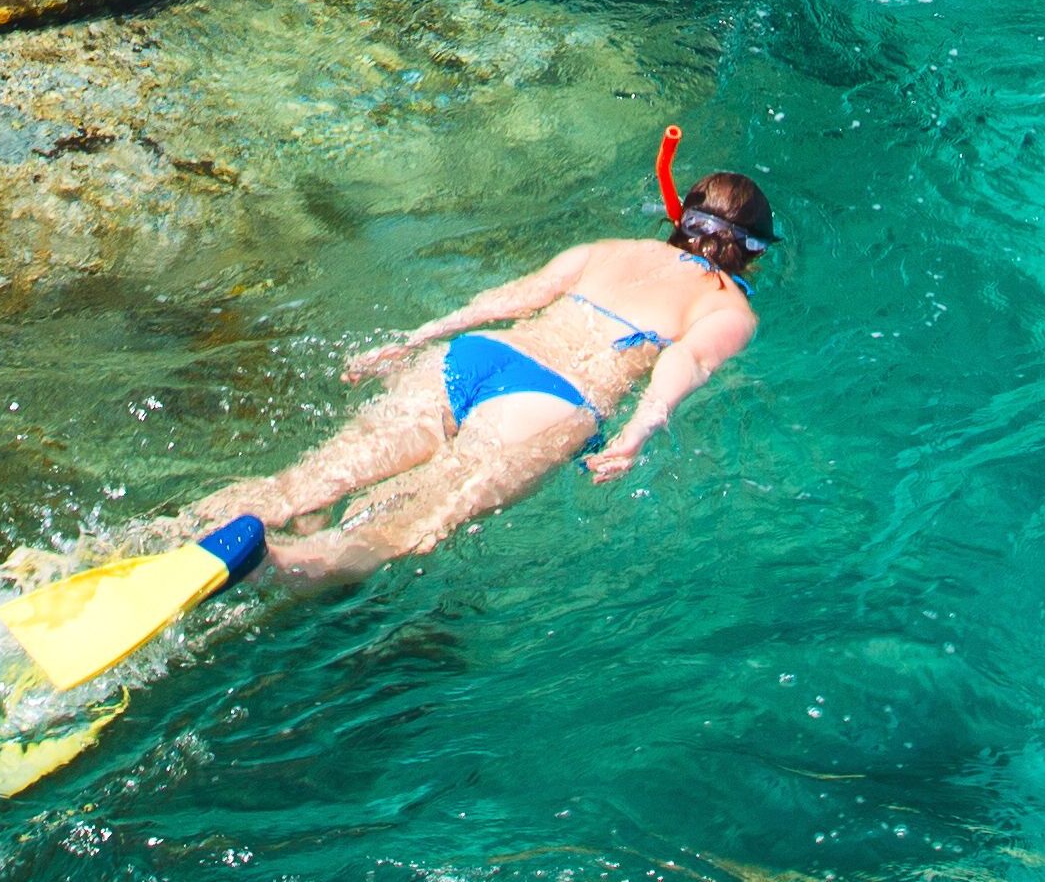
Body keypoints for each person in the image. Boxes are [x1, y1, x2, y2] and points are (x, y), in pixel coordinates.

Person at [187, 170, 773, 581]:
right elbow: (685, 361)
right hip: (546, 402)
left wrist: (410, 340)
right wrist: (637, 432)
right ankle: (277, 569)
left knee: (307, 482)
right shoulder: (730, 310)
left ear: (679, 216)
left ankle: (181, 535)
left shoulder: (608, 249)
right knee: (399, 528)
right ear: (755, 253)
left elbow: (508, 299)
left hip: (468, 357)